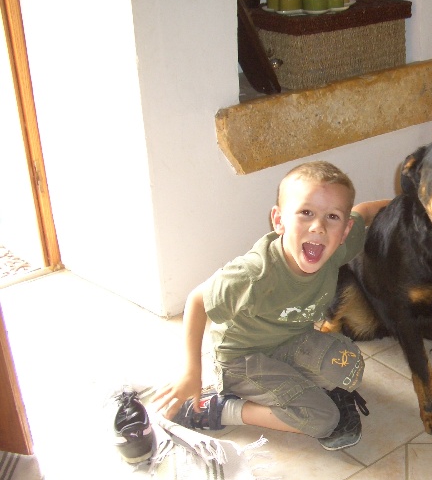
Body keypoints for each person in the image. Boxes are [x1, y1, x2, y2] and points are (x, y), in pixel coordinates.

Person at [151, 161, 389, 450]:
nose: (319, 227)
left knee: (351, 367)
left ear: (344, 230)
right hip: (241, 358)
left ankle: (294, 384)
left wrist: (415, 203)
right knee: (324, 419)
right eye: (306, 213)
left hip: (291, 338)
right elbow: (197, 301)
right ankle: (221, 409)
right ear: (279, 220)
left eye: (332, 217)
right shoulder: (254, 274)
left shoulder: (337, 247)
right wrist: (192, 372)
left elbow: (364, 211)